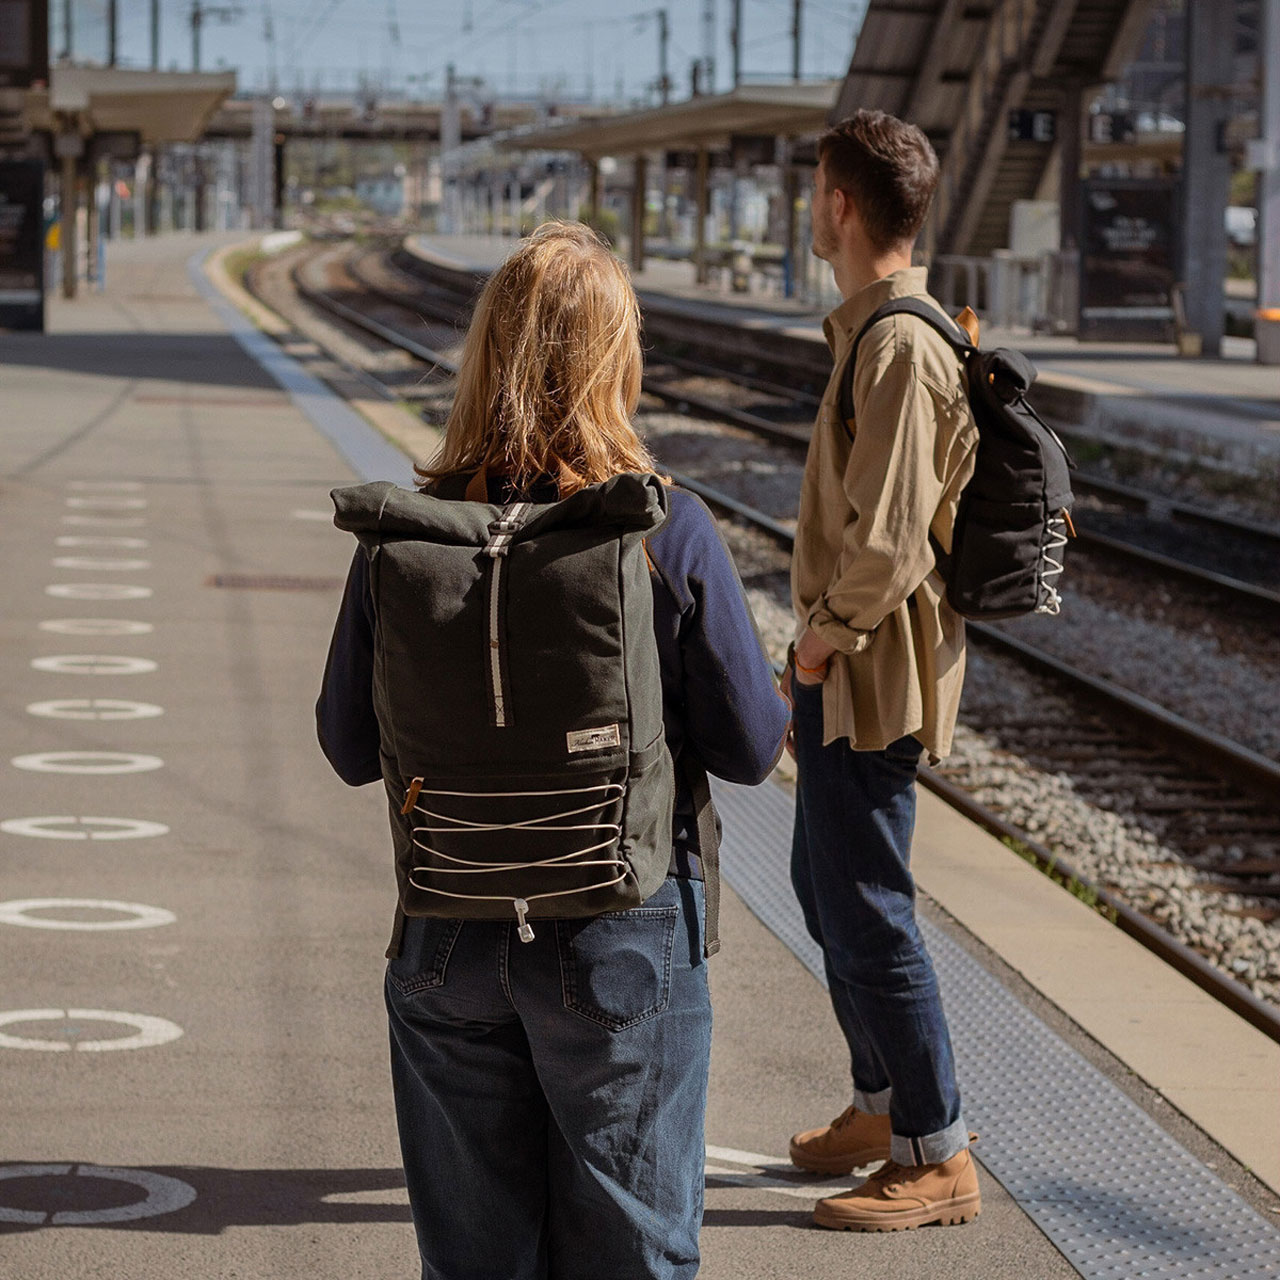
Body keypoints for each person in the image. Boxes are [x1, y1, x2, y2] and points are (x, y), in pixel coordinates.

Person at [316, 221, 789, 1280]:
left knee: (474, 1263)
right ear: (617, 359)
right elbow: (754, 748)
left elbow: (347, 744)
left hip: (445, 939)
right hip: (619, 936)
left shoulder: (413, 533)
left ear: (483, 351)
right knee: (632, 1254)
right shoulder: (664, 530)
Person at [782, 109, 982, 1231]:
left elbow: (892, 539)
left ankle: (936, 1148)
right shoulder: (877, 331)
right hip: (845, 664)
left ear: (841, 205)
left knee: (865, 903)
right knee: (825, 885)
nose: (812, 208)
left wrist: (814, 639)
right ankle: (880, 1105)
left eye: (817, 190)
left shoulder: (900, 343)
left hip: (865, 671)